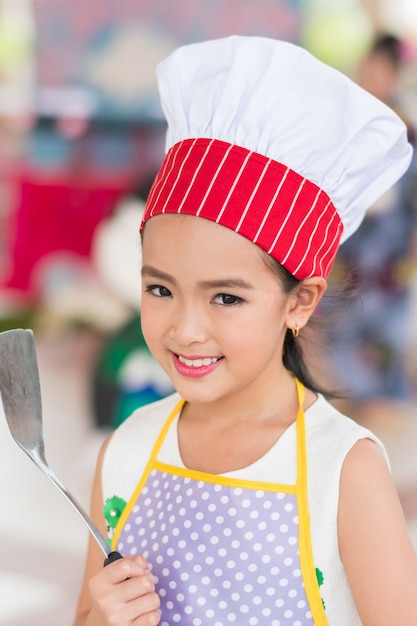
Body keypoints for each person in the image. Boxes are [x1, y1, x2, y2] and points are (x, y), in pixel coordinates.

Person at [73, 36, 417, 626]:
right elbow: (86, 614)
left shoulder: (344, 469)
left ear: (300, 302)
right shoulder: (126, 450)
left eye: (226, 297)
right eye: (160, 289)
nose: (185, 328)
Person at [319, 33, 417, 411]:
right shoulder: (346, 122)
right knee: (341, 313)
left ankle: (380, 400)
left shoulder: (407, 127)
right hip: (349, 240)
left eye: (379, 70)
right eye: (367, 67)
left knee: (386, 326)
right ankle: (341, 395)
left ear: (394, 74)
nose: (370, 76)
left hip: (391, 247)